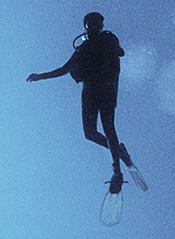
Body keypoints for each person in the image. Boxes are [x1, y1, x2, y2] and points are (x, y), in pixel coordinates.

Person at [27, 11, 137, 194]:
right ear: (87, 26)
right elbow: (64, 69)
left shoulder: (107, 39)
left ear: (100, 25)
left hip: (106, 87)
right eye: (90, 24)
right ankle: (119, 151)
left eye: (96, 24)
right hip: (90, 88)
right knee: (90, 133)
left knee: (108, 127)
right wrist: (41, 77)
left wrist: (110, 52)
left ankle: (117, 172)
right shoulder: (83, 48)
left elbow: (119, 53)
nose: (93, 27)